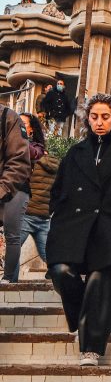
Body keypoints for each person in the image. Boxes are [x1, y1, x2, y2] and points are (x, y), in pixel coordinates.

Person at [46, 93, 111, 366]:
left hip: (110, 227)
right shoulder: (75, 153)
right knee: (60, 272)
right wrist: (58, 213)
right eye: (94, 117)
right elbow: (58, 189)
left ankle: (90, 347)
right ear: (88, 119)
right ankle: (84, 317)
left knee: (101, 282)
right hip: (73, 226)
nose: (99, 122)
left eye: (105, 116)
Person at [8, 114, 55, 280]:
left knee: (12, 248)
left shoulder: (30, 151)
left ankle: (9, 283)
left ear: (30, 129)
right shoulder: (44, 156)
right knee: (51, 257)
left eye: (21, 123)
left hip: (27, 212)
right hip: (42, 214)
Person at [0, 105, 32, 283]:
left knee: (12, 235)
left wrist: (3, 189)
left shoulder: (8, 117)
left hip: (14, 188)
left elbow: (19, 160)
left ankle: (8, 280)